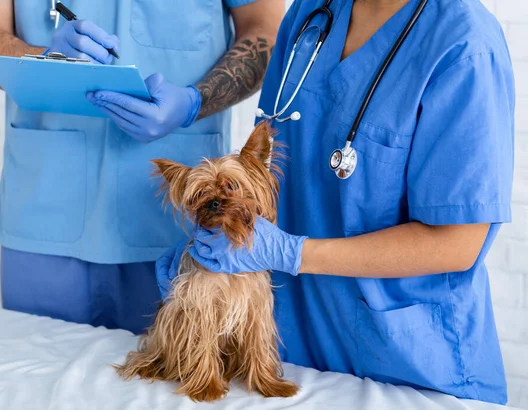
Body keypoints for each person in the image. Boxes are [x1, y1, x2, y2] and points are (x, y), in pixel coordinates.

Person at [157, 0, 514, 405]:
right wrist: (220, 239)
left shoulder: (464, 44)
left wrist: (291, 252)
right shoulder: (309, 13)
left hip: (409, 364)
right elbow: (265, 155)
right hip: (294, 344)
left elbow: (457, 244)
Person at [0, 0, 283, 334]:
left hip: (179, 228)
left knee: (171, 376)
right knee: (30, 374)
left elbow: (269, 30)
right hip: (44, 217)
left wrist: (195, 101)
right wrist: (39, 60)